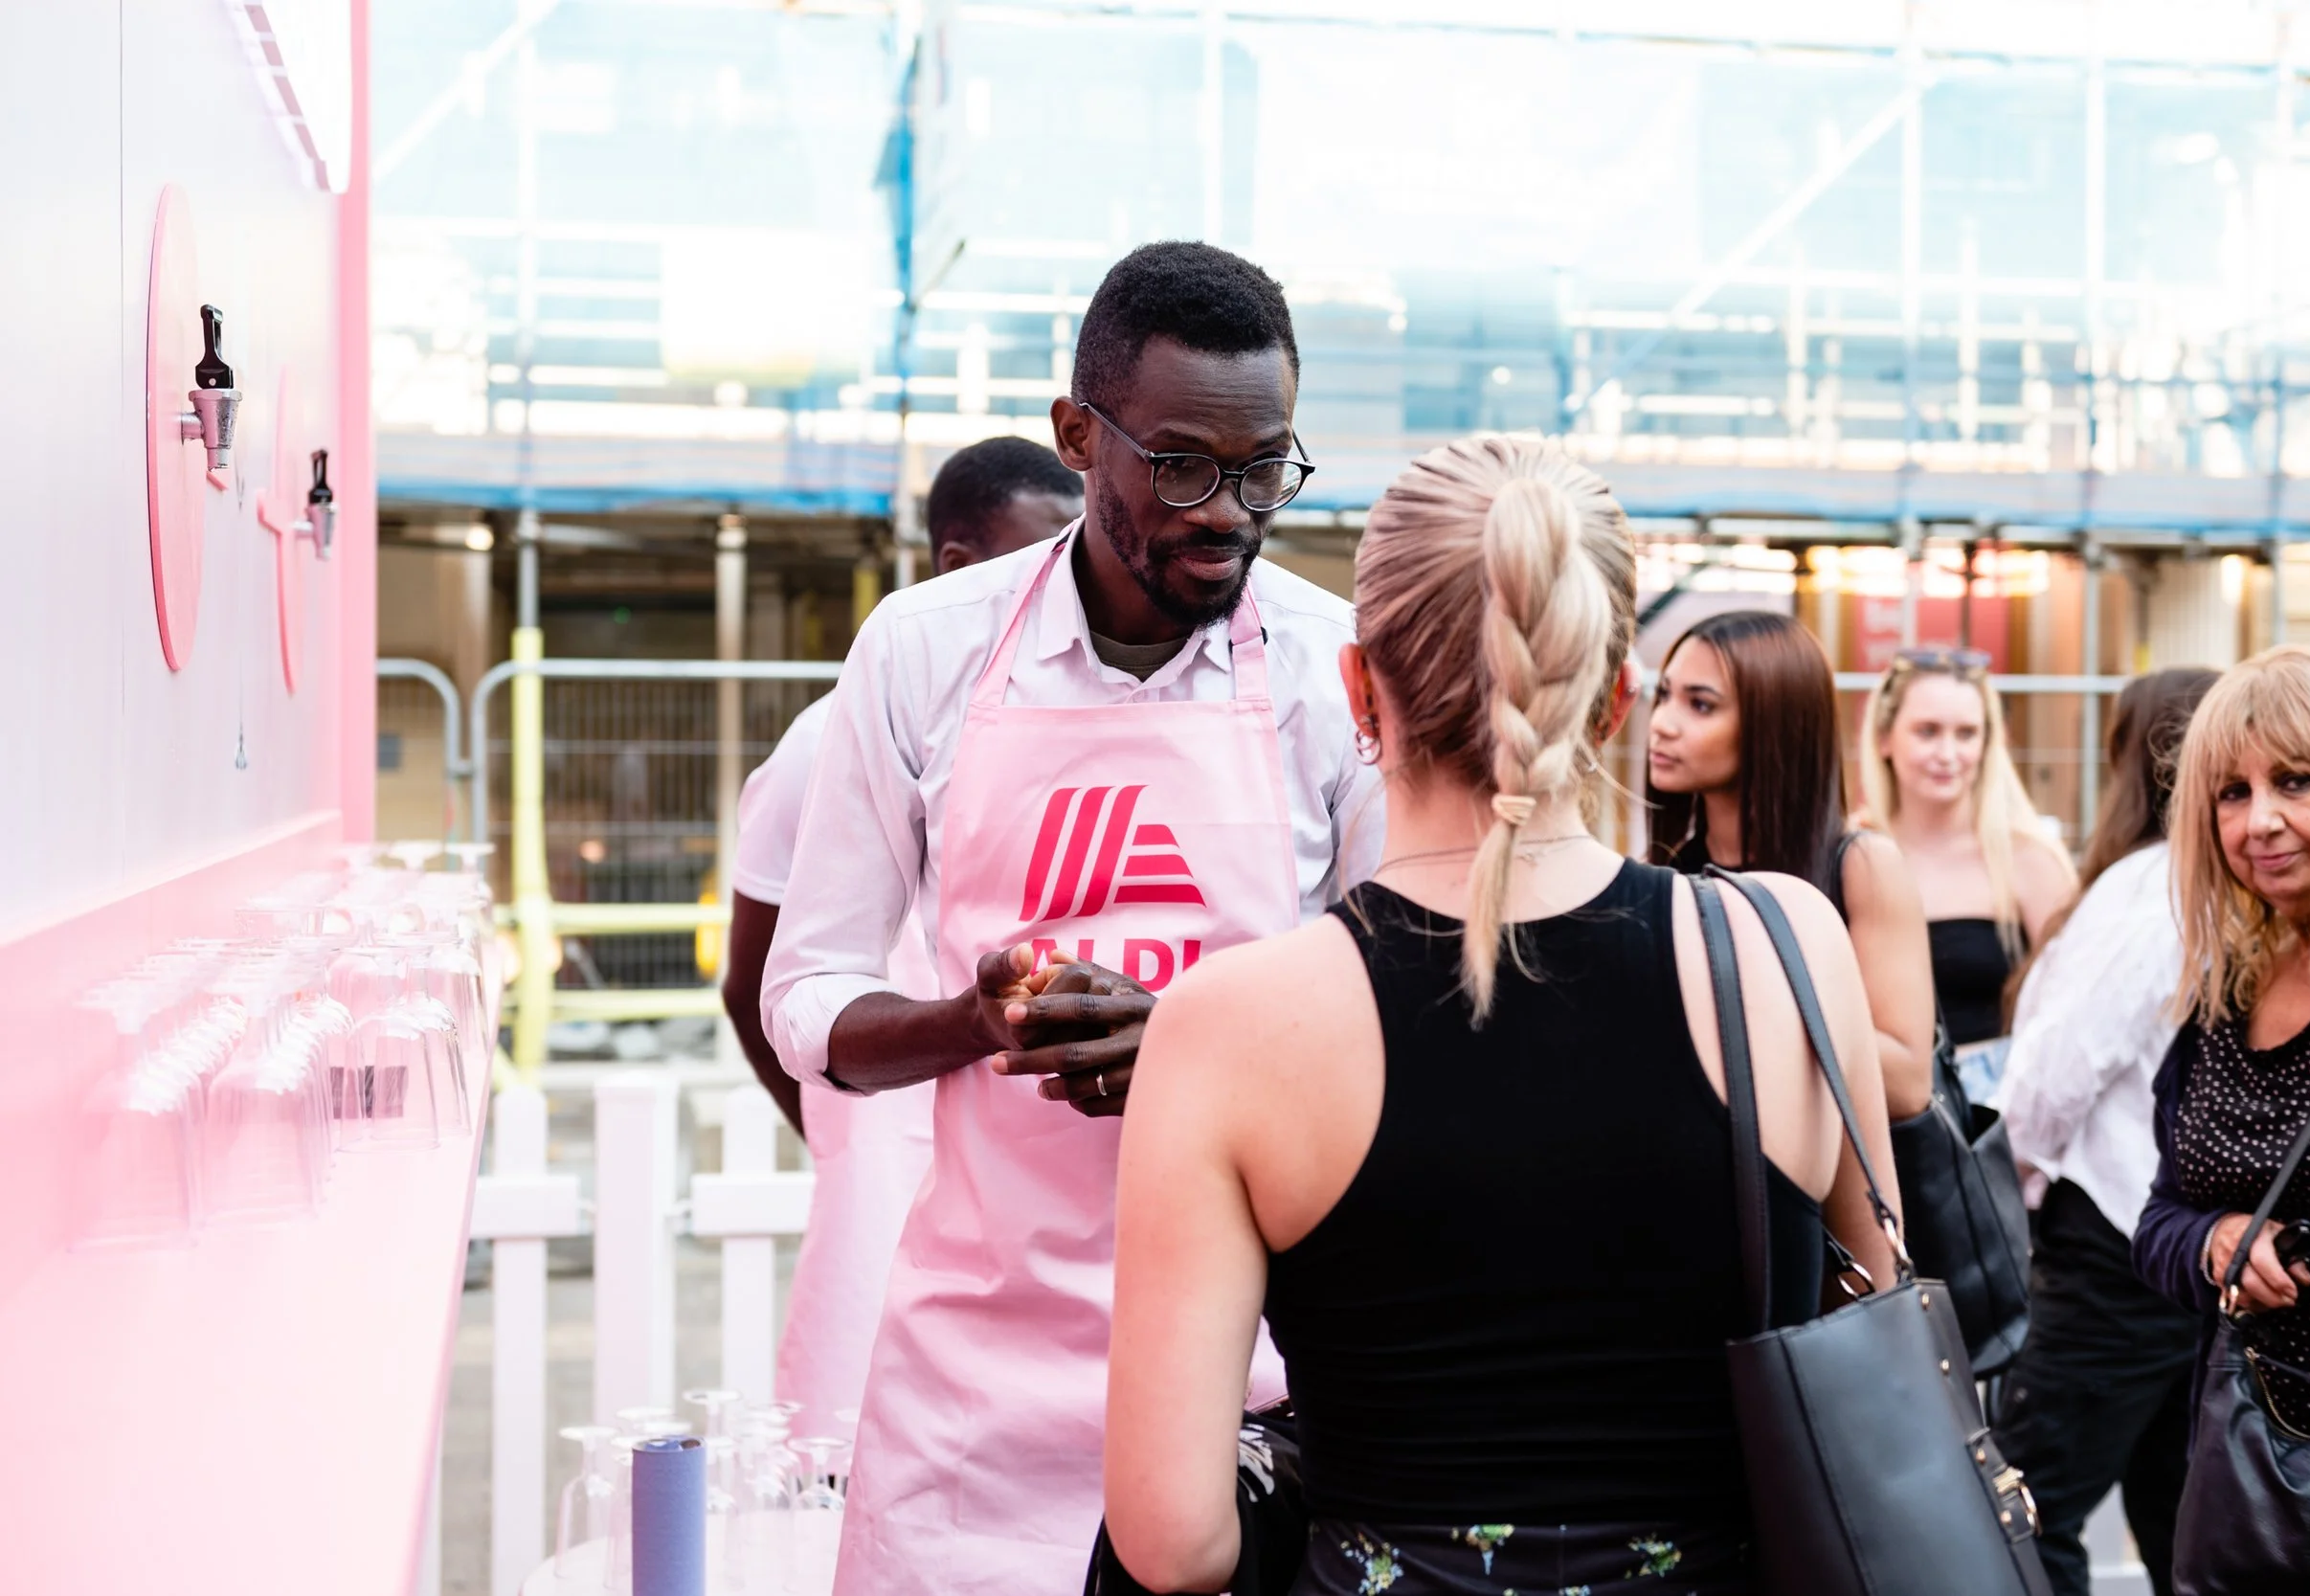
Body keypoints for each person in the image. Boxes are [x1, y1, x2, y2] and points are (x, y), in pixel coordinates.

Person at [1104, 438, 1900, 1596]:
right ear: (1615, 694)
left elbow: (1174, 1541)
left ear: (1358, 688)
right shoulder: (1784, 944)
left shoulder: (1230, 1022)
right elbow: (1871, 1338)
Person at [759, 240, 1380, 1596]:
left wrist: (1201, 1046)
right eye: (1179, 465)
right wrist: (969, 1019)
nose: (1228, 510)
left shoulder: (1335, 673)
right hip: (971, 1397)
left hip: (1255, 1385)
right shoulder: (924, 648)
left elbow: (1401, 1024)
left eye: (1264, 465)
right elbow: (806, 998)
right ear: (1077, 435)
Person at [720, 436, 1081, 1425]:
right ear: (957, 568)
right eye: (1037, 559)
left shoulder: (1049, 732)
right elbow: (754, 985)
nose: (1068, 588)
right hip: (886, 1175)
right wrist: (841, 1128)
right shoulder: (821, 742)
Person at [1988, 667, 2218, 1596]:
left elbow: (2056, 1069)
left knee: (2027, 1508)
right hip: (2184, 1245)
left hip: (2113, 1240)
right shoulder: (2200, 886)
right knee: (2183, 1517)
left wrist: (2016, 1178)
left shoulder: (2149, 885)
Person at [2136, 646, 2310, 1466]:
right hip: (2256, 1465)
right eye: (2232, 793)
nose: (2259, 822)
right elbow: (2159, 1220)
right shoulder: (2226, 994)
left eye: (2296, 781)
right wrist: (2217, 1240)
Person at [1648, 609, 1938, 1118]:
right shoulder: (1668, 878)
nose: (1662, 724)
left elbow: (1906, 1082)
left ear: (1774, 722)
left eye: (1700, 705)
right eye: (1664, 695)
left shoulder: (1862, 867)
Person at [1862, 646, 2075, 1099]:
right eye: (1927, 731)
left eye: (1966, 734)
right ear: (1884, 738)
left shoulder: (2029, 859)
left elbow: (2075, 1010)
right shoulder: (1849, 853)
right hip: (1874, 1107)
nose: (1948, 753)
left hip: (1997, 1112)